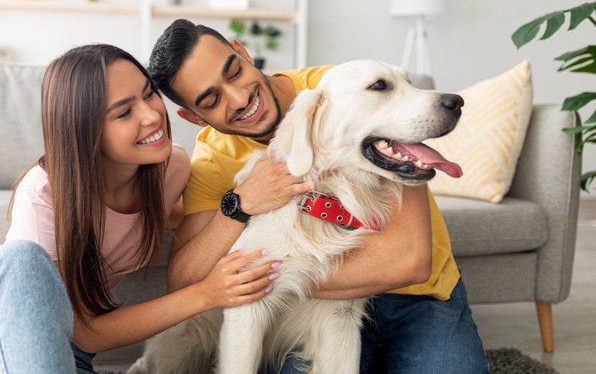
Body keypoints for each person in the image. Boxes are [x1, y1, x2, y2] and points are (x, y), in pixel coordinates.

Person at [0, 43, 282, 374]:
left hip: (66, 358)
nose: (152, 116)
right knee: (20, 260)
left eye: (149, 95)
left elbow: (197, 227)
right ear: (85, 130)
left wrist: (246, 201)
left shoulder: (171, 169)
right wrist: (205, 294)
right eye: (123, 113)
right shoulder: (43, 192)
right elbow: (83, 330)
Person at [148, 19, 490, 373]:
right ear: (194, 117)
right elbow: (186, 282)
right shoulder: (212, 156)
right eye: (211, 99)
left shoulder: (343, 87)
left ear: (242, 52)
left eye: (233, 71)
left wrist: (263, 279)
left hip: (417, 297)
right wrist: (240, 204)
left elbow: (410, 262)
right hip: (309, 308)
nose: (239, 97)